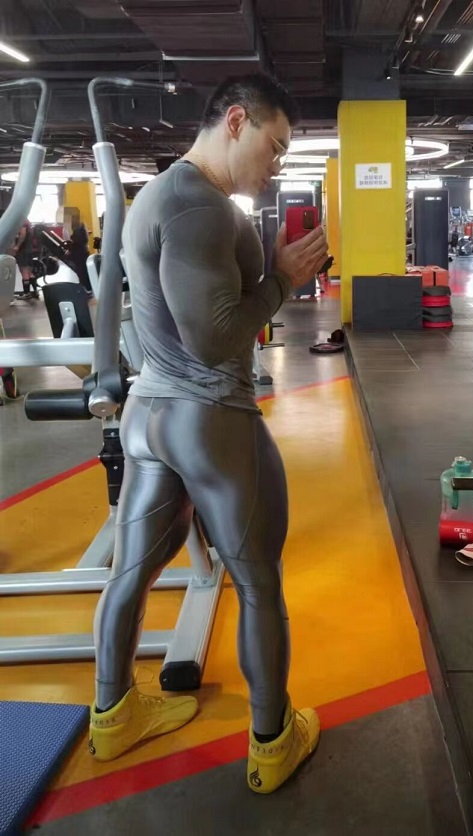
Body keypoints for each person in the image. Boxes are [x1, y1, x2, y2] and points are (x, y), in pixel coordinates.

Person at [88, 74, 329, 795]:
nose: (278, 164)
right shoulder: (198, 206)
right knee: (258, 583)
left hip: (151, 418)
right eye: (275, 146)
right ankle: (273, 742)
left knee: (131, 573)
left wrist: (268, 274)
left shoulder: (161, 196)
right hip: (210, 418)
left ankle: (114, 718)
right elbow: (216, 338)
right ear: (236, 121)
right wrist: (282, 280)